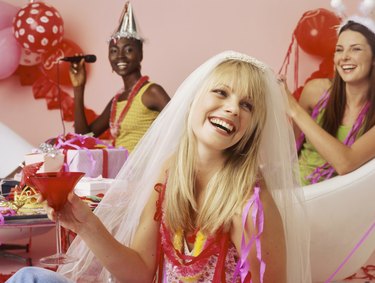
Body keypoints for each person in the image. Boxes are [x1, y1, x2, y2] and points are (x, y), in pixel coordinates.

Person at [6, 51, 311, 283]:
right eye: (221, 92)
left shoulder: (248, 201)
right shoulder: (170, 172)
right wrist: (85, 224)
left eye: (247, 105)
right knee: (30, 278)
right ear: (191, 101)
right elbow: (139, 271)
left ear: (252, 127)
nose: (232, 108)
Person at [281, 16, 375, 185]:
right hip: (292, 187)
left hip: (333, 202)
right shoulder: (315, 91)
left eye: (355, 49)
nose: (344, 57)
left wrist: (294, 109)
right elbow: (289, 150)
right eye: (339, 50)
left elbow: (346, 163)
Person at [70, 2, 170, 152]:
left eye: (128, 49)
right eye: (114, 51)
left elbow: (182, 126)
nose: (120, 56)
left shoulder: (152, 92)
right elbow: (84, 137)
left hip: (143, 174)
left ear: (140, 54)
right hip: (120, 173)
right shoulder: (116, 101)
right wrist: (78, 88)